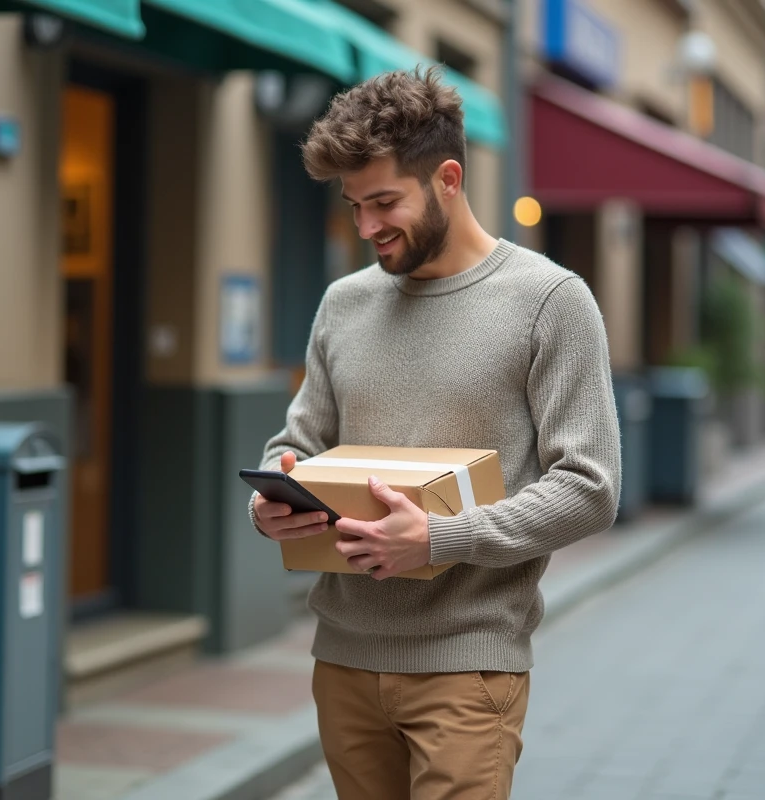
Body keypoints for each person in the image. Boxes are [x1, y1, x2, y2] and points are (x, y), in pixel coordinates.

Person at [249, 68, 621, 799]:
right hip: (343, 664)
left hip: (467, 667)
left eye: (385, 202)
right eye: (354, 206)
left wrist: (440, 538)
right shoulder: (344, 303)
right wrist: (272, 500)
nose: (366, 228)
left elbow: (590, 487)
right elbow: (297, 442)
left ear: (448, 178)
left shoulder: (550, 301)